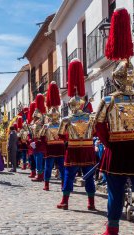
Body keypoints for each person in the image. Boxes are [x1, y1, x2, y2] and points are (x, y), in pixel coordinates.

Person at [92, 8, 134, 235]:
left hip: (117, 151)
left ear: (118, 79)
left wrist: (110, 144)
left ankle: (112, 232)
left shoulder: (108, 101)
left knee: (115, 193)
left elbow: (99, 127)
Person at [57, 59, 96, 210]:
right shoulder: (90, 117)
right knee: (90, 176)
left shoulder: (66, 119)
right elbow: (95, 131)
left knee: (68, 175)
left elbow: (61, 136)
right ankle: (91, 203)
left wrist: (71, 137)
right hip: (87, 149)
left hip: (72, 150)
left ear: (71, 105)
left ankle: (65, 201)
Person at [40, 82, 65, 191]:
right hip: (60, 147)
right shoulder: (61, 124)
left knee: (48, 167)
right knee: (61, 167)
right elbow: (66, 136)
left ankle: (47, 185)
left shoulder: (46, 125)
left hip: (50, 148)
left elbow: (41, 137)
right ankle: (63, 184)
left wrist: (45, 144)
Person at [29, 94, 46, 182]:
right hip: (35, 142)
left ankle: (40, 175)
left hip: (40, 142)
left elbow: (43, 133)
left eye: (35, 116)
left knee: (39, 159)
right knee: (36, 158)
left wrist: (37, 142)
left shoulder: (41, 122)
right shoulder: (34, 123)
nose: (34, 117)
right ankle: (38, 174)